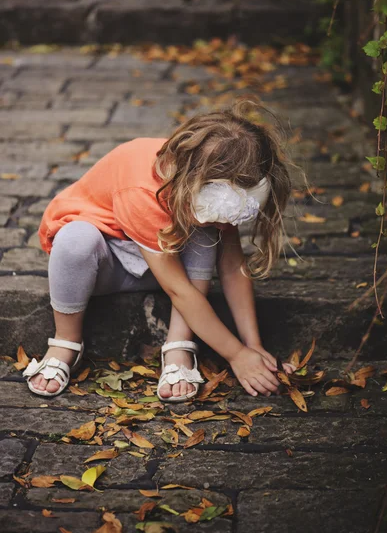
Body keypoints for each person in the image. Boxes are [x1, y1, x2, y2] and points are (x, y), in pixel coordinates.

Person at [22, 100, 297, 402]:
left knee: (206, 234)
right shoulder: (141, 191)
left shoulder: (218, 172)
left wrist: (253, 344)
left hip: (165, 264)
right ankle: (66, 342)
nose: (224, 225)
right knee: (75, 238)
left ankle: (179, 345)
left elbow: (232, 265)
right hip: (103, 265)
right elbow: (178, 290)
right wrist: (236, 355)